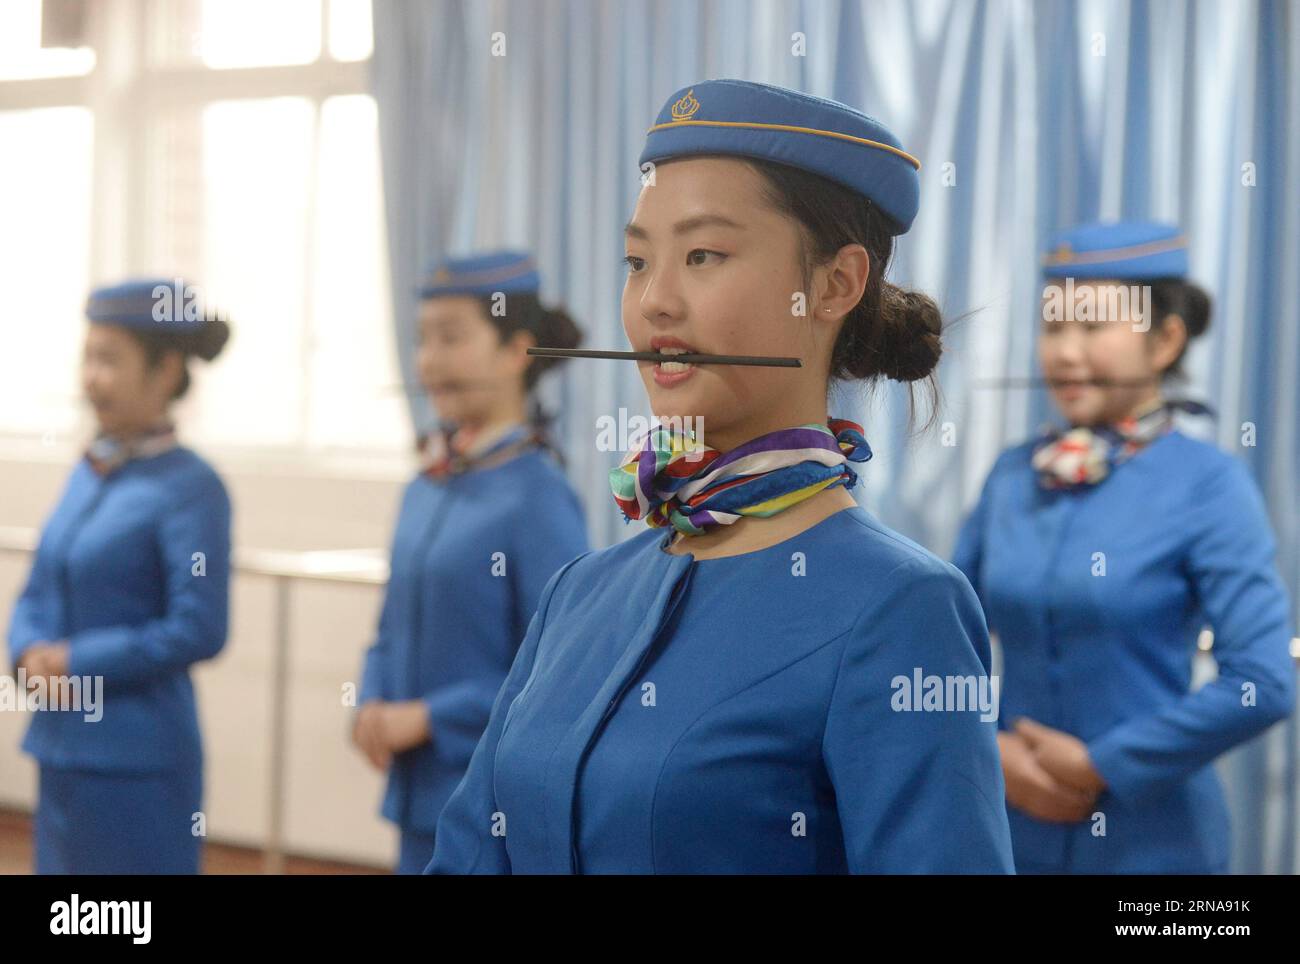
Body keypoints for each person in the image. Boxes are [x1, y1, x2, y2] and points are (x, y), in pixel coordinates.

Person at [428, 80, 1014, 874]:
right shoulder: (581, 592)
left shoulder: (901, 608)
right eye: (637, 260)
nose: (654, 301)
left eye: (704, 254)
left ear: (837, 284)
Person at [954, 221, 1296, 873]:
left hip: (1155, 844)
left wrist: (1100, 764)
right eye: (1054, 327)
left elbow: (1265, 682)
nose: (1065, 353)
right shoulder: (1012, 473)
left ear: (1166, 339)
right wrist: (986, 749)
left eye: (1093, 325)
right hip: (1009, 830)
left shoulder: (1210, 484)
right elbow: (937, 638)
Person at [352, 251, 590, 873]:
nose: (429, 362)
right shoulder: (424, 486)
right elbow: (387, 626)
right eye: (422, 340)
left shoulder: (539, 494)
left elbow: (560, 669)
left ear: (517, 351)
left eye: (452, 338)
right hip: (415, 791)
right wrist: (371, 700)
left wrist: (432, 717)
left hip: (487, 798)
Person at [8, 277, 232, 873]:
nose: (91, 378)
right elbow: (37, 586)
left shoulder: (192, 488)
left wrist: (78, 660)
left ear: (165, 371)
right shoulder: (90, 469)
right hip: (61, 749)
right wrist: (26, 649)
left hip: (139, 762)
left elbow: (199, 626)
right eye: (88, 357)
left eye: (109, 360)